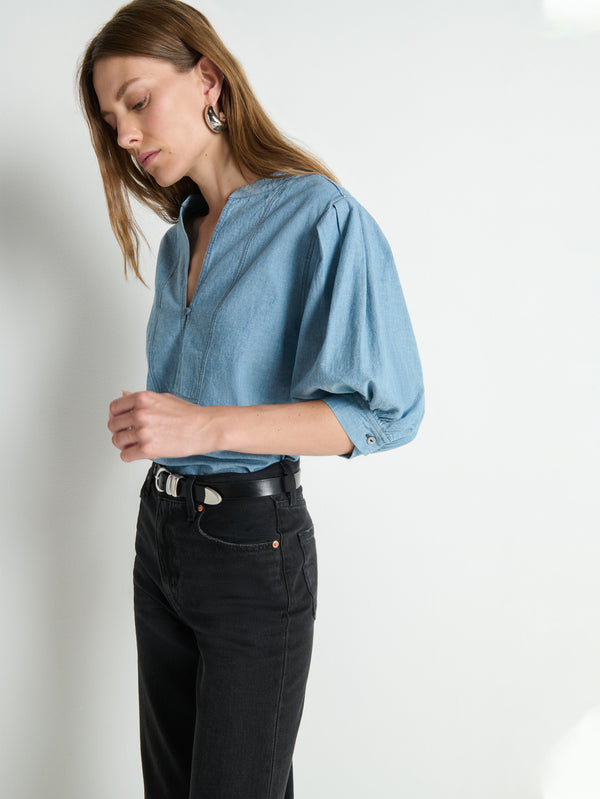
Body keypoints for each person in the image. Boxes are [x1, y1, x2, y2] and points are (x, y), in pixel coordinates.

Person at [78, 1, 424, 796]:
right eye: (110, 119)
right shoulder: (177, 243)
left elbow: (387, 413)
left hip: (249, 546)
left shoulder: (320, 217)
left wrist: (203, 423)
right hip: (158, 536)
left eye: (136, 101)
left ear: (208, 77)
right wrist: (158, 425)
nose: (125, 135)